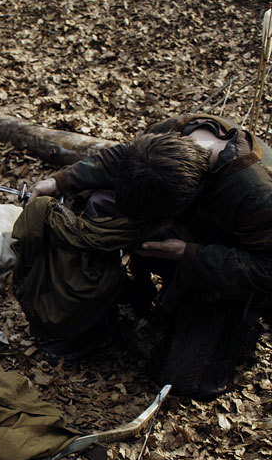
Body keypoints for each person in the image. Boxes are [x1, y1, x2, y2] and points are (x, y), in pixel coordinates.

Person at [26, 113, 272, 399]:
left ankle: (228, 327)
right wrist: (60, 181)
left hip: (227, 268)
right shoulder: (170, 136)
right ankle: (100, 318)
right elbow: (123, 159)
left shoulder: (255, 192)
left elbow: (266, 269)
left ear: (191, 192)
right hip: (185, 233)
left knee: (184, 380)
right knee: (99, 204)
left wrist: (187, 253)